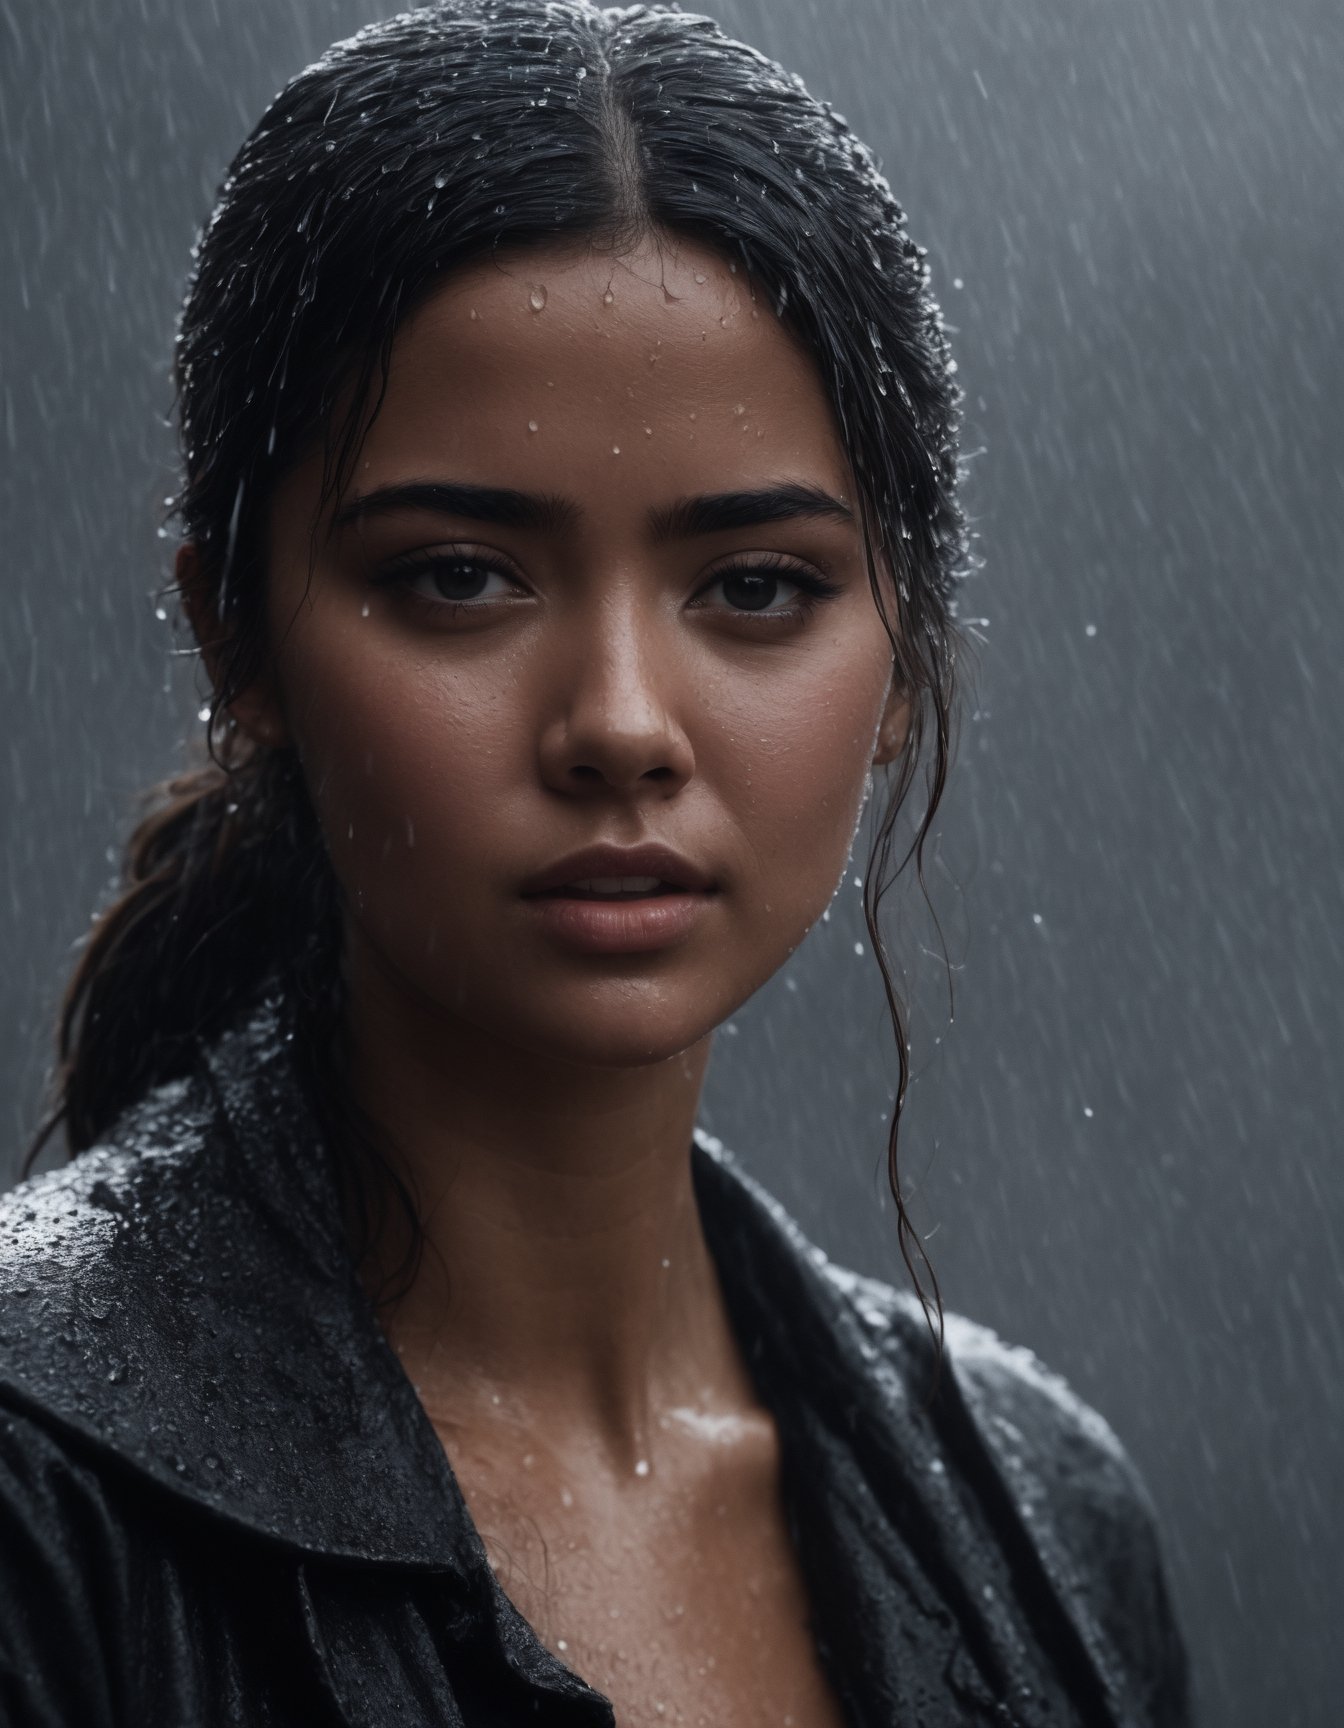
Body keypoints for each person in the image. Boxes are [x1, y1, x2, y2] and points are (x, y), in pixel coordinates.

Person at [0, 3, 1190, 1724]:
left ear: (905, 658)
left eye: (756, 587)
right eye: (462, 578)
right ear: (236, 635)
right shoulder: (42, 1495)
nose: (622, 724)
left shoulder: (1046, 1519)